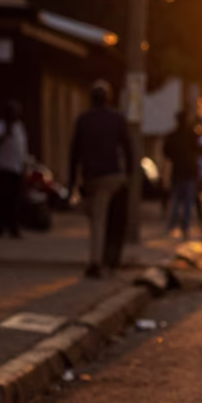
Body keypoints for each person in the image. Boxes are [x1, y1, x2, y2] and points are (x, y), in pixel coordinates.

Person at [69, 80, 133, 278]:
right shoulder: (116, 118)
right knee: (110, 219)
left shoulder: (83, 120)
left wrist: (72, 182)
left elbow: (74, 154)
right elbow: (128, 147)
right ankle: (108, 259)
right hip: (113, 176)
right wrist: (129, 175)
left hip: (93, 177)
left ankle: (97, 261)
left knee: (98, 219)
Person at [0, 99, 27, 238]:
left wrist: (23, 166)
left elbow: (22, 149)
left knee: (14, 200)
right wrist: (6, 132)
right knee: (0, 199)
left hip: (15, 169)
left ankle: (13, 228)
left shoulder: (20, 127)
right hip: (1, 168)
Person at [163, 110, 199, 239]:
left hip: (178, 172)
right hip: (188, 172)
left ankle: (173, 226)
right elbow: (200, 150)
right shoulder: (192, 135)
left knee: (177, 201)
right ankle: (184, 228)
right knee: (186, 202)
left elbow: (166, 152)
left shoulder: (173, 136)